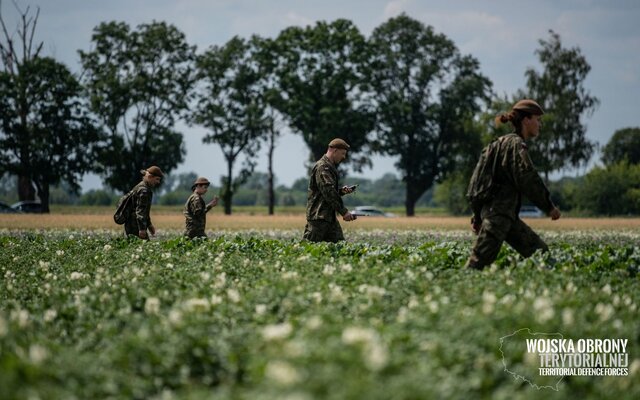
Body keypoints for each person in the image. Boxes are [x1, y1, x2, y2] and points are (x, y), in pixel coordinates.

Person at [465, 99, 561, 270]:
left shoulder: (496, 144)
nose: (540, 124)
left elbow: (476, 183)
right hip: (498, 217)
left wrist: (477, 214)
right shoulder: (516, 145)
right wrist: (548, 206)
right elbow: (528, 178)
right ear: (526, 120)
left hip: (505, 217)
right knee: (477, 264)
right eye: (537, 120)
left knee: (540, 253)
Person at [303, 138, 358, 243]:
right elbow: (328, 192)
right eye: (342, 153)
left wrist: (341, 191)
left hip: (329, 218)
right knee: (307, 249)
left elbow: (326, 191)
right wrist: (344, 212)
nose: (344, 157)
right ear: (335, 150)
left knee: (340, 249)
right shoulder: (323, 167)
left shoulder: (329, 166)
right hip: (319, 218)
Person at [124, 166, 163, 239]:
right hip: (135, 225)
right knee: (141, 246)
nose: (158, 182)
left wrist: (149, 225)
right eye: (157, 179)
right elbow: (140, 211)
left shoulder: (144, 187)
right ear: (150, 177)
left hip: (134, 223)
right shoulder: (143, 191)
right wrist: (142, 229)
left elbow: (145, 211)